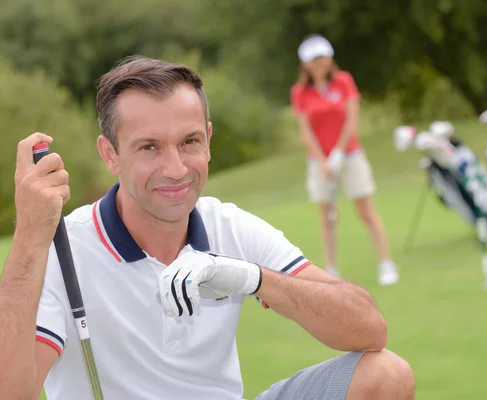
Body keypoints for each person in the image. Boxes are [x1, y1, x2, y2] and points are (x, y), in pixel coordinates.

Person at [0, 56, 415, 400]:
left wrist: (252, 278)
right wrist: (29, 238)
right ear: (110, 154)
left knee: (386, 375)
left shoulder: (228, 225)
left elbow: (369, 328)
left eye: (190, 142)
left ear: (209, 139)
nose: (176, 169)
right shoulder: (64, 247)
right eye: (150, 147)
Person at [290, 34, 399, 285]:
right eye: (313, 59)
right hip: (319, 162)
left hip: (350, 155)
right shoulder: (300, 92)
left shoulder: (343, 81)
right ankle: (331, 269)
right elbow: (305, 130)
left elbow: (351, 119)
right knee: (328, 216)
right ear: (305, 64)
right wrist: (323, 161)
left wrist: (338, 153)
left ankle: (386, 263)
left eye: (323, 57)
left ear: (330, 59)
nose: (319, 63)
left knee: (366, 211)